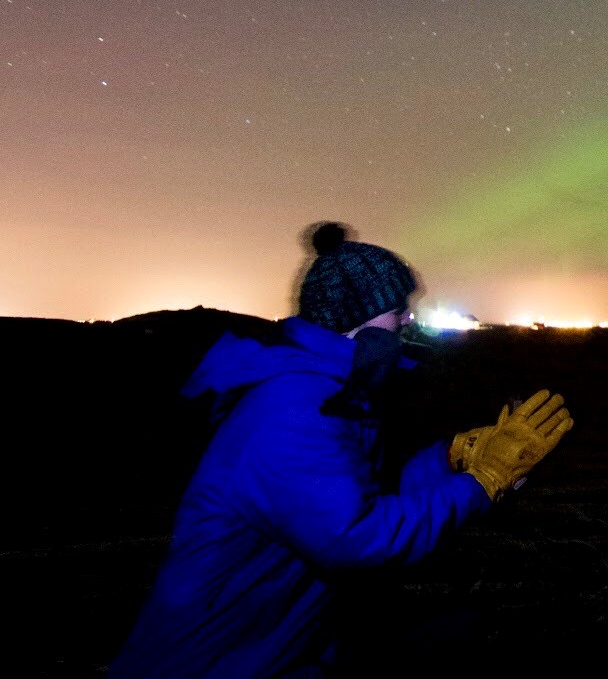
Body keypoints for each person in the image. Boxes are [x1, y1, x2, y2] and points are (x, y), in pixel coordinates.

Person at [112, 223, 574, 678]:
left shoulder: (333, 392)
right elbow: (354, 537)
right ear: (356, 319)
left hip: (274, 650)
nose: (408, 320)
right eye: (398, 309)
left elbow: (349, 499)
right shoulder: (296, 409)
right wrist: (482, 483)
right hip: (210, 664)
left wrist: (448, 459)